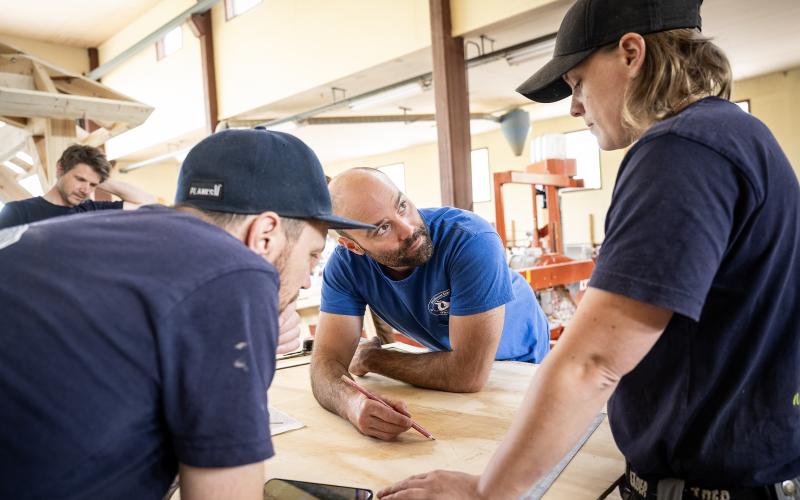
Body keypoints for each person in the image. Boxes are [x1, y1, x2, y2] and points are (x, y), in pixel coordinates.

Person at [379, 0, 800, 499]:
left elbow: (592, 363)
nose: (575, 106)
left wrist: (485, 491)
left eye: (577, 84)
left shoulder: (680, 149)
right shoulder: (732, 135)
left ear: (630, 53)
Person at [0, 129, 373, 499]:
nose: (308, 281)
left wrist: (237, 347)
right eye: (312, 254)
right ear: (264, 235)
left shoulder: (87, 234)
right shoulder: (236, 273)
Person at [310, 167, 550, 441]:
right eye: (383, 228)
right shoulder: (345, 267)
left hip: (523, 368)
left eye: (402, 206)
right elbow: (325, 363)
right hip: (451, 364)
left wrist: (374, 359)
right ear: (353, 247)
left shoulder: (471, 239)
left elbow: (467, 374)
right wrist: (351, 403)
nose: (409, 229)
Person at [0, 144, 155, 229]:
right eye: (80, 179)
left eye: (93, 184)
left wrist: (101, 178)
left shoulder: (93, 211)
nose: (86, 189)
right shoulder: (18, 212)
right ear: (60, 169)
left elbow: (149, 205)